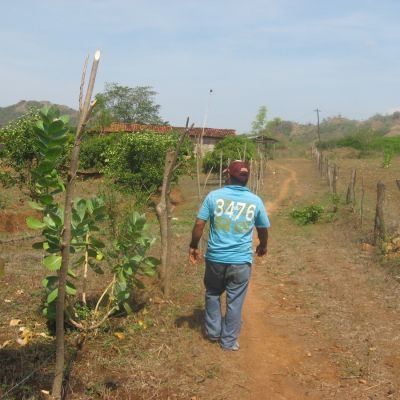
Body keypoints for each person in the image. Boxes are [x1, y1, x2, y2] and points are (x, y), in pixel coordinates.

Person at [189, 160, 270, 351]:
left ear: (228, 176)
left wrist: (193, 245)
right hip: (241, 261)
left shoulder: (214, 196)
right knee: (235, 301)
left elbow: (200, 224)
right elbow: (263, 227)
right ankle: (228, 342)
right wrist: (263, 245)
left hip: (215, 258)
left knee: (213, 293)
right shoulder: (255, 201)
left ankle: (213, 332)